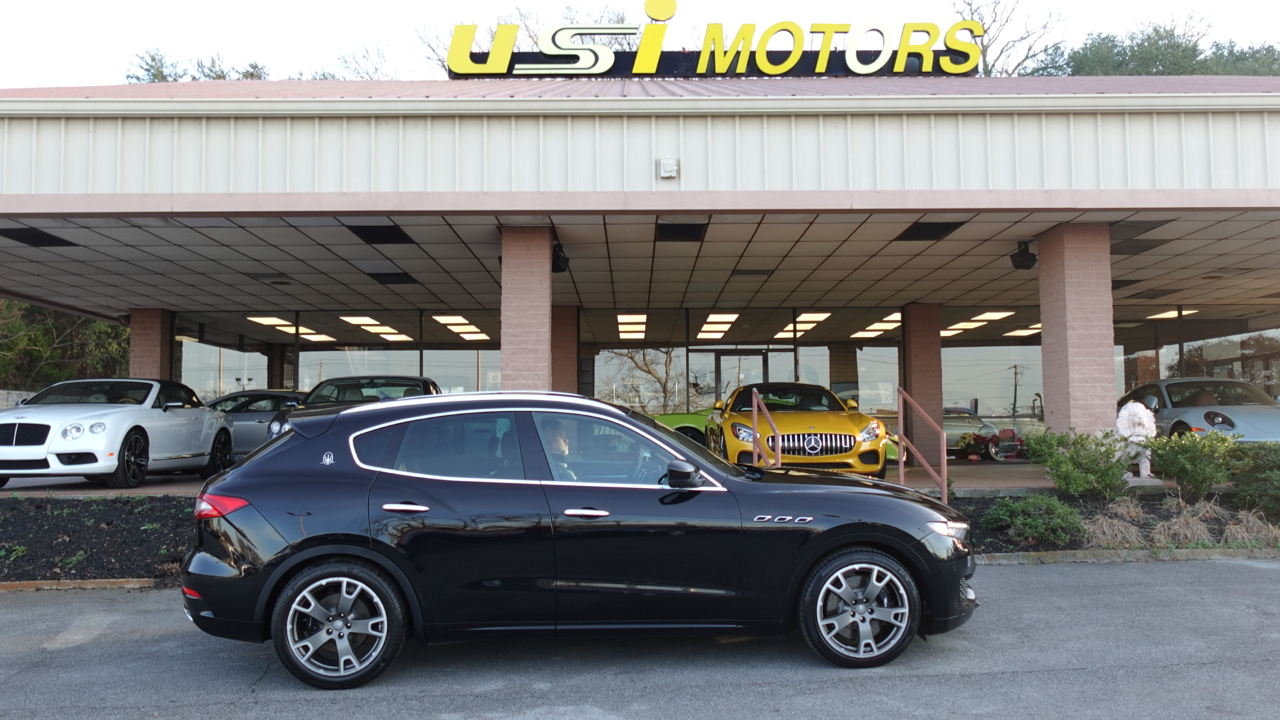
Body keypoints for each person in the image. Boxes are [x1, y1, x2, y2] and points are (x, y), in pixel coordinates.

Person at [1116, 401, 1156, 479]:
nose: (1139, 416)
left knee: (1146, 454)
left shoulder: (1146, 438)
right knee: (1119, 452)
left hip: (1141, 439)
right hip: (1125, 446)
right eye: (1133, 414)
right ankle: (1120, 471)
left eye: (1142, 414)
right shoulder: (1121, 436)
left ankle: (1146, 472)